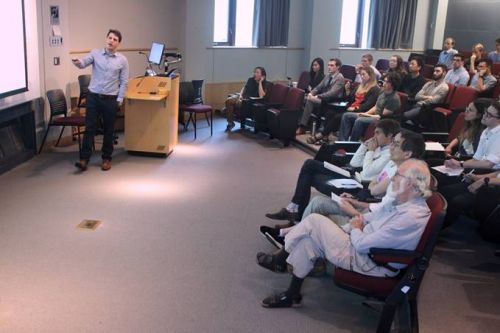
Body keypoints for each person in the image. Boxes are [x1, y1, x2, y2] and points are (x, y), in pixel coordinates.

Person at [256, 159, 432, 309]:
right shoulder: (401, 202)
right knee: (309, 240)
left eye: (398, 175)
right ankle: (292, 295)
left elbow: (363, 244)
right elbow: (370, 217)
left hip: (370, 261)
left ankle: (279, 260)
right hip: (362, 246)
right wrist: (353, 226)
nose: (393, 178)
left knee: (314, 220)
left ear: (410, 183)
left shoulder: (409, 217)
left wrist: (355, 229)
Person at [261, 130, 426, 249]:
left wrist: (356, 209)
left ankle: (288, 237)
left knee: (317, 205)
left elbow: (377, 203)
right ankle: (290, 229)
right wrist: (366, 149)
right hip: (361, 192)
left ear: (407, 153)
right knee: (313, 183)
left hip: (365, 210)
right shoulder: (395, 166)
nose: (391, 146)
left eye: (395, 144)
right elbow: (370, 182)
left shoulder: (406, 181)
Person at [265, 120, 403, 224]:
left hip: (359, 182)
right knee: (310, 169)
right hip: (351, 173)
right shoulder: (379, 146)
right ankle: (295, 211)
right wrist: (363, 146)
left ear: (390, 136)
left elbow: (367, 174)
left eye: (378, 133)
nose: (374, 136)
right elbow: (354, 163)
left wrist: (371, 151)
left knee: (310, 168)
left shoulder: (389, 155)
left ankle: (295, 210)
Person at [72, 29, 129, 172]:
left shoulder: (122, 60)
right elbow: (84, 62)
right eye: (110, 38)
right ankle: (84, 159)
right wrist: (78, 62)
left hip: (110, 99)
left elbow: (124, 82)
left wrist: (120, 99)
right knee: (89, 128)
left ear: (119, 43)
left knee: (109, 130)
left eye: (115, 39)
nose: (111, 41)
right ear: (106, 39)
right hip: (93, 97)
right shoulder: (95, 53)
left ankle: (106, 159)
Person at [439, 101, 500, 227]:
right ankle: (433, 225)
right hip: (484, 175)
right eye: (485, 112)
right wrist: (459, 163)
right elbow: (477, 159)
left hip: (492, 185)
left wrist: (464, 167)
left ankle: (434, 231)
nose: (484, 116)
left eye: (489, 115)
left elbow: (489, 164)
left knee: (456, 201)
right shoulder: (487, 131)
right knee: (445, 191)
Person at [306, 66, 380, 144]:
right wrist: (347, 90)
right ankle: (325, 137)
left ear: (370, 76)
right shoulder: (359, 86)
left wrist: (355, 109)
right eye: (361, 75)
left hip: (360, 111)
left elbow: (368, 105)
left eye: (364, 75)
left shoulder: (375, 89)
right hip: (350, 107)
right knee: (330, 113)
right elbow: (349, 99)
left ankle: (321, 135)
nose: (361, 77)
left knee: (338, 117)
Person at [338, 72, 402, 142]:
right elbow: (376, 106)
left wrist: (366, 115)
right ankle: (342, 141)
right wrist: (365, 113)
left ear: (393, 84)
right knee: (346, 115)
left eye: (387, 82)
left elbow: (381, 116)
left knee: (359, 120)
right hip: (375, 116)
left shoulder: (394, 98)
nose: (384, 83)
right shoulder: (383, 91)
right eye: (385, 81)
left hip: (383, 120)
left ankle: (352, 144)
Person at [296, 58, 345, 135]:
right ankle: (298, 123)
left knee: (310, 100)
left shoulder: (340, 78)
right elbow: (318, 87)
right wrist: (311, 93)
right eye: (328, 65)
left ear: (338, 67)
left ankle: (302, 127)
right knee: (302, 98)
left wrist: (318, 96)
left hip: (331, 102)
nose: (329, 67)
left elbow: (332, 93)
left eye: (332, 65)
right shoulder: (328, 75)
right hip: (323, 99)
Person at [224, 67, 269, 132]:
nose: (255, 74)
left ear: (262, 75)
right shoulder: (250, 80)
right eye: (254, 72)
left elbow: (261, 96)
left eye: (257, 72)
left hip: (248, 102)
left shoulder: (265, 84)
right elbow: (244, 88)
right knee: (228, 100)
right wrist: (240, 95)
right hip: (242, 97)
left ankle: (229, 116)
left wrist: (260, 83)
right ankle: (231, 123)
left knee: (231, 102)